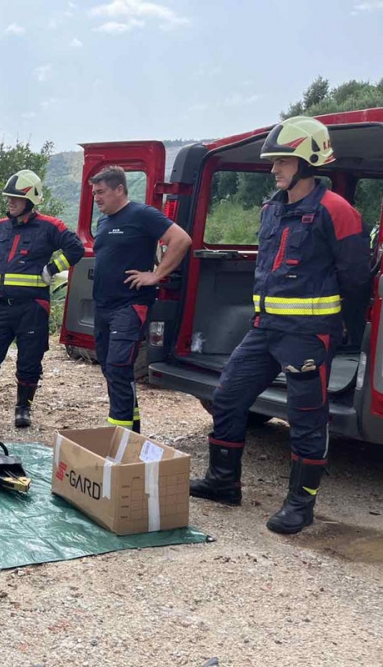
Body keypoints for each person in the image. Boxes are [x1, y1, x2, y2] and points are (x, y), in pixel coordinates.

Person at [191, 116, 371, 535]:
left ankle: (300, 506)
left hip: (307, 335)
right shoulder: (273, 206)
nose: (274, 170)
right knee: (228, 396)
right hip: (265, 329)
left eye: (282, 162)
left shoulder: (337, 212)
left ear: (308, 162)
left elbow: (356, 279)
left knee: (307, 418)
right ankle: (223, 482)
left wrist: (344, 329)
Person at [0, 170, 84, 427]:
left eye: (15, 198)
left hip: (32, 307)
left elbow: (76, 248)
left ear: (31, 199)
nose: (10, 202)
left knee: (29, 360)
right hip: (1, 306)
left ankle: (23, 409)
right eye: (8, 198)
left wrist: (52, 268)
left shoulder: (50, 226)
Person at [90, 165, 192, 433]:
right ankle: (132, 430)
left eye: (101, 192)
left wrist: (156, 274)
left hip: (130, 305)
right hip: (103, 307)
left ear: (119, 189)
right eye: (94, 193)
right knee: (111, 369)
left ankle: (118, 439)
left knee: (118, 365)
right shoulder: (103, 222)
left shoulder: (142, 214)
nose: (96, 198)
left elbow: (180, 239)